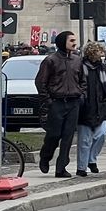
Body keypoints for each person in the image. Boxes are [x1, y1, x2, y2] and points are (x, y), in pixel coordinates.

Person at [35, 31, 84, 177]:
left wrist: (80, 94)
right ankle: (46, 156)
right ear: (63, 42)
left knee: (68, 136)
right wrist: (48, 101)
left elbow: (82, 80)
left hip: (73, 102)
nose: (74, 43)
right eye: (71, 40)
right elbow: (40, 82)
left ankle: (61, 167)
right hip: (57, 102)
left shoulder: (77, 60)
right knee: (54, 134)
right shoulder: (51, 60)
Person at [76, 42, 106, 176]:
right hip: (85, 108)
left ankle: (91, 159)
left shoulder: (102, 68)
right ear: (93, 52)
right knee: (84, 140)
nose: (102, 54)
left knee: (102, 134)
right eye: (100, 51)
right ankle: (81, 167)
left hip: (100, 107)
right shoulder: (81, 67)